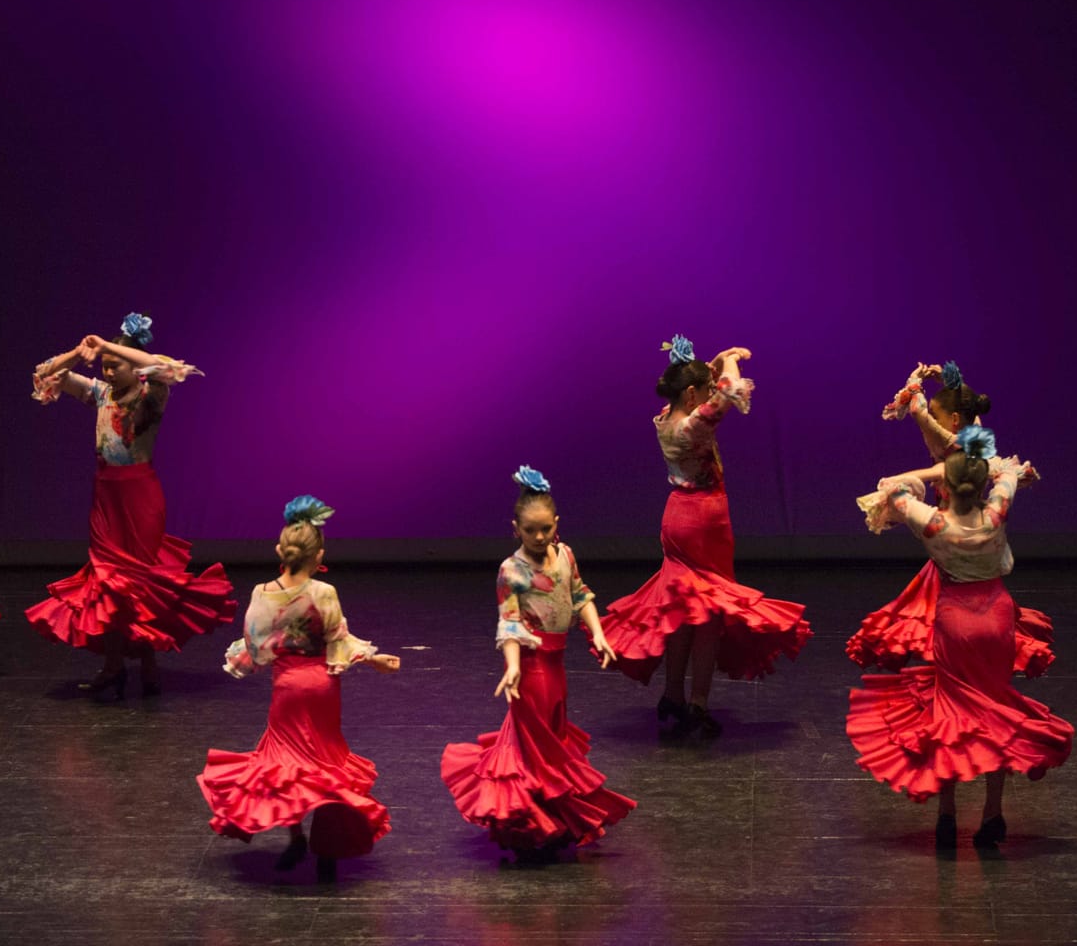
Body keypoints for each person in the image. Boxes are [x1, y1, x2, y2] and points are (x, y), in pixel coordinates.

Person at [847, 429, 1072, 851]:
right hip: (996, 618)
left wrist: (932, 473)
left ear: (946, 489)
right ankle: (992, 812)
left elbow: (892, 488)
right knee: (994, 707)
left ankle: (947, 813)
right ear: (980, 485)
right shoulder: (996, 511)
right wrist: (999, 473)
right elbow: (1008, 471)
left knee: (949, 709)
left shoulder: (933, 522)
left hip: (956, 621)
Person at [598, 337, 810, 737]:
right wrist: (730, 359)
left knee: (683, 609)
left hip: (676, 517)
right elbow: (730, 390)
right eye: (702, 390)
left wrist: (713, 363)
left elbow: (710, 387)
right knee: (709, 612)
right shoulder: (692, 426)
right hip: (705, 521)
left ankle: (672, 694)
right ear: (692, 394)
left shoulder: (665, 417)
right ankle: (697, 701)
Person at [27, 313, 236, 698]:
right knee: (106, 581)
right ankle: (113, 664)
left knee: (138, 583)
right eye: (104, 365)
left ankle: (149, 662)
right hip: (106, 496)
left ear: (132, 365)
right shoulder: (101, 393)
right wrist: (78, 352)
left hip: (139, 497)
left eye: (115, 365)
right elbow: (45, 373)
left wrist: (109, 346)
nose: (107, 371)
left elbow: (164, 367)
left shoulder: (150, 393)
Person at [197, 496, 400, 883]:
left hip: (287, 687)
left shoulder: (262, 593)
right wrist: (372, 659)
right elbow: (338, 638)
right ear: (319, 554)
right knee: (326, 763)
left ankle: (295, 837)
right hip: (321, 686)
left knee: (283, 763)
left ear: (280, 550)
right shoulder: (324, 592)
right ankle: (327, 849)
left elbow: (256, 645)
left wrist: (272, 652)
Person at [441, 468, 635, 864]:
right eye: (530, 530)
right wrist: (512, 666)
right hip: (531, 669)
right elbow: (510, 623)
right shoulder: (512, 571)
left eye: (546, 529)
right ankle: (530, 827)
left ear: (557, 524)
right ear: (516, 529)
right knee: (535, 751)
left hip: (557, 666)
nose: (540, 537)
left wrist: (598, 633)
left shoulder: (564, 555)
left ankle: (549, 821)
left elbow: (580, 596)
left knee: (553, 741)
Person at [849, 360, 1053, 675]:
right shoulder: (979, 437)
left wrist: (916, 378)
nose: (934, 418)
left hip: (949, 527)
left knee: (941, 598)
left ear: (954, 419)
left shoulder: (948, 441)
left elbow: (917, 410)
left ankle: (952, 656)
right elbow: (968, 412)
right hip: (978, 527)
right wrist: (951, 384)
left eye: (940, 413)